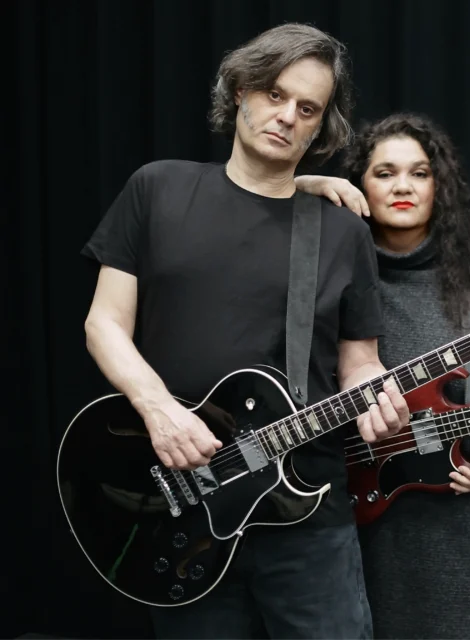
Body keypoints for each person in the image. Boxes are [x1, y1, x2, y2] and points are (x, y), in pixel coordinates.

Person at [79, 23, 410, 639]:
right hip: (183, 503)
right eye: (274, 94)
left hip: (307, 507)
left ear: (321, 127)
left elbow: (358, 361)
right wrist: (159, 411)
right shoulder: (157, 189)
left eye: (307, 108)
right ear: (240, 91)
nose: (286, 116)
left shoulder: (342, 232)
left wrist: (377, 394)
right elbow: (104, 323)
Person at [295, 112, 470, 639]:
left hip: (466, 512)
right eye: (385, 173)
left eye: (419, 173)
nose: (403, 187)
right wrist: (306, 184)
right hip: (352, 505)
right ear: (358, 186)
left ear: (441, 186)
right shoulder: (333, 272)